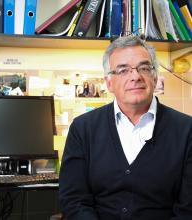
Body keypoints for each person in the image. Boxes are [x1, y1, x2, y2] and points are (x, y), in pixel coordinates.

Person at [59, 35, 192, 220]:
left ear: (154, 78)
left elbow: (188, 210)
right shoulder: (82, 129)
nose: (135, 76)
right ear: (109, 83)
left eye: (144, 68)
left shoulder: (187, 131)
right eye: (122, 71)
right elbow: (74, 201)